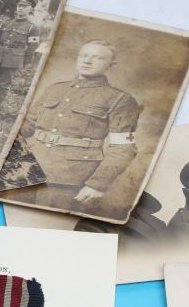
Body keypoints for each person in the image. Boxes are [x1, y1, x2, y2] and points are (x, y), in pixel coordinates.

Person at [22, 40, 142, 210]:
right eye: (84, 55)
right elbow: (28, 125)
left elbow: (123, 148)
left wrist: (98, 184)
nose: (87, 61)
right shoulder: (55, 89)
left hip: (69, 177)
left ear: (110, 65)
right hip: (27, 167)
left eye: (98, 57)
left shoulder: (120, 100)